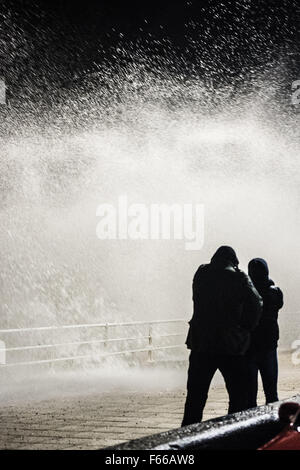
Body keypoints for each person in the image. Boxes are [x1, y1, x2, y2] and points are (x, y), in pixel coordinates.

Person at [181, 246, 262, 426]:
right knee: (237, 395)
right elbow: (257, 303)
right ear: (234, 261)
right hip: (230, 345)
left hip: (201, 344)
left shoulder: (201, 273)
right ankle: (231, 434)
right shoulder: (239, 277)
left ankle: (186, 437)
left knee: (195, 397)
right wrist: (246, 327)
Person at [246, 258, 284, 407]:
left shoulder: (247, 291)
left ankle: (250, 427)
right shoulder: (274, 292)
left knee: (250, 394)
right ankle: (275, 425)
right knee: (271, 392)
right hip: (269, 344)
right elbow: (278, 305)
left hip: (250, 345)